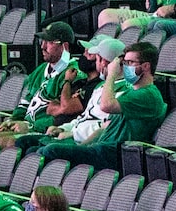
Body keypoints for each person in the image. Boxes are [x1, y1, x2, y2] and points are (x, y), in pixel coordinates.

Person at [30, 39, 164, 166]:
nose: (125, 66)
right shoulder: (132, 94)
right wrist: (81, 148)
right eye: (124, 62)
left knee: (50, 151)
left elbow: (105, 105)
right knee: (34, 149)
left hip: (116, 153)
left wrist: (111, 74)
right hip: (101, 147)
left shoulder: (148, 94)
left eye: (130, 63)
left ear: (145, 66)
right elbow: (105, 127)